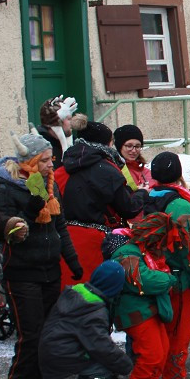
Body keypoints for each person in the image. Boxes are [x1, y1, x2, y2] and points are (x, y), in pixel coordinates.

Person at [0, 133, 82, 379]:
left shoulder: (49, 185)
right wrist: (27, 211)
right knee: (30, 333)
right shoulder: (8, 186)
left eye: (50, 159)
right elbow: (1, 223)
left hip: (49, 270)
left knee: (49, 332)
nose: (49, 164)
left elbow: (59, 227)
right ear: (29, 161)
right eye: (44, 160)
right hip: (22, 272)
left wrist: (71, 260)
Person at [144, 152, 190, 379]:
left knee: (163, 331)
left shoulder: (151, 197)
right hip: (178, 279)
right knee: (179, 332)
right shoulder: (181, 205)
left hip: (157, 274)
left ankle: (170, 377)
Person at [111, 213, 190, 379]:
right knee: (151, 353)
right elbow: (142, 281)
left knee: (161, 351)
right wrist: (169, 280)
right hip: (136, 312)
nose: (165, 247)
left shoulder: (146, 251)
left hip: (149, 309)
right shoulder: (127, 252)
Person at [39, 262, 133, 379]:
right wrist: (126, 364)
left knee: (97, 359)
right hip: (61, 355)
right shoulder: (93, 311)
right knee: (103, 367)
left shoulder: (79, 292)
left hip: (53, 350)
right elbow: (102, 347)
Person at [59, 116, 146, 287]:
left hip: (64, 241)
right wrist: (142, 193)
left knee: (69, 294)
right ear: (105, 144)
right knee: (95, 294)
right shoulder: (108, 170)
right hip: (95, 242)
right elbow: (128, 208)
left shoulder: (62, 170)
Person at [37, 95, 77, 169]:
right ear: (57, 122)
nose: (72, 122)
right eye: (69, 119)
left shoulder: (76, 143)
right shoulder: (39, 146)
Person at [115, 124, 151, 191]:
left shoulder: (146, 172)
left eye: (137, 146)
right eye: (129, 146)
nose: (134, 150)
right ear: (120, 147)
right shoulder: (115, 171)